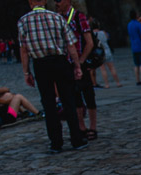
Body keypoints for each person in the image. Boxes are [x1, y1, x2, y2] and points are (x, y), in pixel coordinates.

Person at [18, 0, 87, 153]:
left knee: (48, 104)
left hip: (40, 64)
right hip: (60, 61)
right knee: (68, 100)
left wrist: (26, 72)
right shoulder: (57, 18)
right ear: (44, 2)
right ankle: (76, 139)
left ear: (30, 3)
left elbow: (23, 50)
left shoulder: (23, 21)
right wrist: (76, 66)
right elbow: (70, 45)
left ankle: (56, 142)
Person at [56, 0, 98, 141]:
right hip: (66, 63)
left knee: (88, 95)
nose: (56, 3)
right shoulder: (57, 18)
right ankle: (81, 127)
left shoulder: (78, 16)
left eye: (58, 0)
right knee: (75, 97)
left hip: (81, 62)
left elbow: (89, 42)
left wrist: (80, 61)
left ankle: (93, 127)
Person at [92, 20, 122, 88]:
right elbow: (108, 38)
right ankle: (118, 82)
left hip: (99, 52)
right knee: (112, 67)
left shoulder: (93, 34)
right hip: (107, 50)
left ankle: (107, 84)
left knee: (103, 69)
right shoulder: (103, 32)